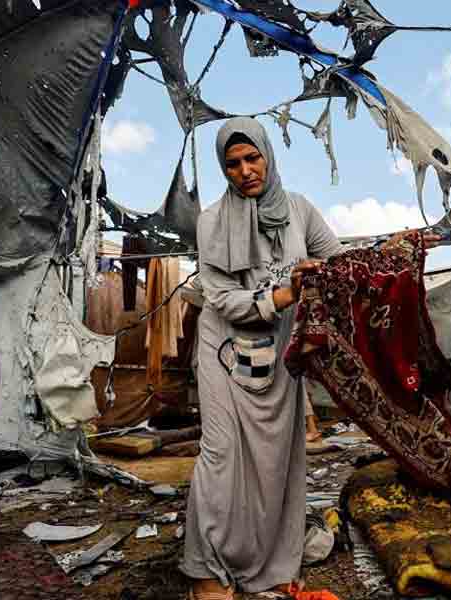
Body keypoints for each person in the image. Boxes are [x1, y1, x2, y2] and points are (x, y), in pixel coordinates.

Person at [181, 116, 436, 600]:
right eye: (233, 164)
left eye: (252, 158)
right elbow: (219, 298)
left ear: (268, 157)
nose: (245, 171)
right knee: (220, 457)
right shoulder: (212, 221)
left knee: (275, 463)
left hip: (279, 353)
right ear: (224, 169)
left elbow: (341, 266)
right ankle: (206, 571)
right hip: (225, 349)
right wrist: (285, 292)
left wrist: (396, 250)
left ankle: (268, 563)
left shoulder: (298, 210)